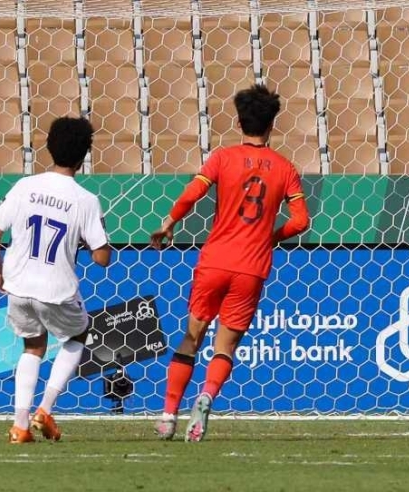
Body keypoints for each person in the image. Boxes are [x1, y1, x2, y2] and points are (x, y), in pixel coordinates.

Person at [152, 84, 310, 442]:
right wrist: (269, 237)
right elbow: (302, 221)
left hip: (215, 261)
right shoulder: (285, 169)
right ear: (272, 125)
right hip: (251, 269)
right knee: (225, 348)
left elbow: (193, 192)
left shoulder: (223, 158)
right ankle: (206, 397)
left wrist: (169, 222)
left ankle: (167, 416)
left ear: (239, 123)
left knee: (191, 338)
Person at [0, 116, 111, 444]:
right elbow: (102, 258)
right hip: (55, 288)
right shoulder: (85, 200)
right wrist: (93, 236)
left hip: (17, 285)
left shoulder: (25, 186)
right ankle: (45, 408)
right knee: (79, 334)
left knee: (33, 346)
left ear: (48, 147)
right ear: (85, 156)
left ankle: (20, 426)